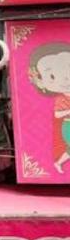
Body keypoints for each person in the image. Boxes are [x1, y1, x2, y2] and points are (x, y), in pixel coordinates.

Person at [27, 42, 70, 173]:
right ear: (41, 82)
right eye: (52, 76)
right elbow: (57, 114)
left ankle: (58, 163)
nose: (66, 78)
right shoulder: (61, 99)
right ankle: (58, 163)